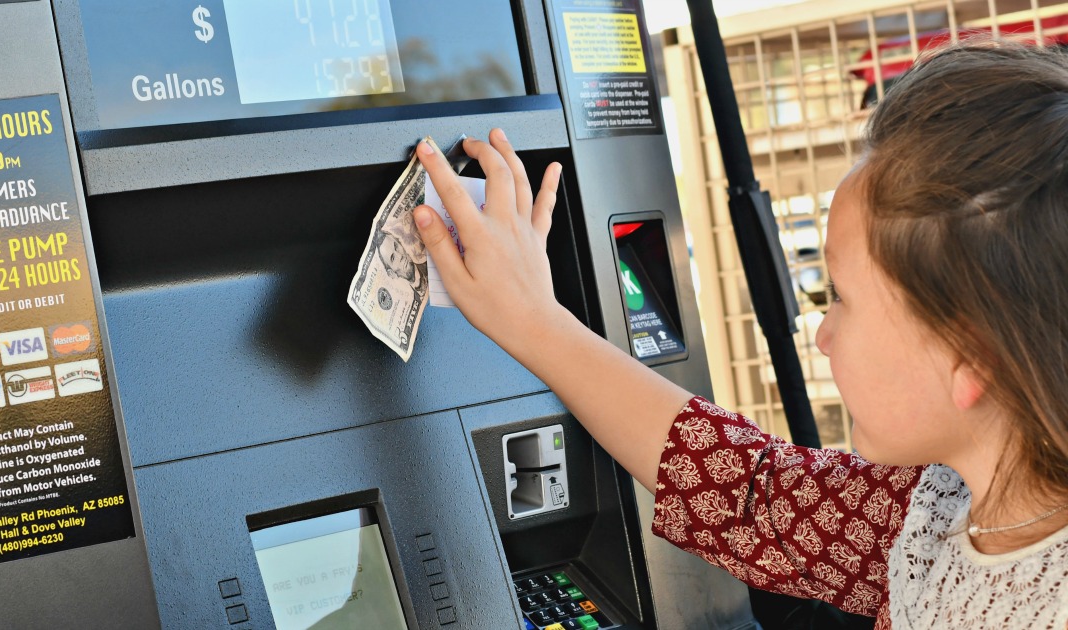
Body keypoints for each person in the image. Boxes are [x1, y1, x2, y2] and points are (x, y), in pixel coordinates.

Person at [410, 40, 1068, 629]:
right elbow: (752, 497)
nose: (824, 334)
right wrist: (531, 318)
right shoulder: (939, 506)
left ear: (970, 356)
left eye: (843, 299)